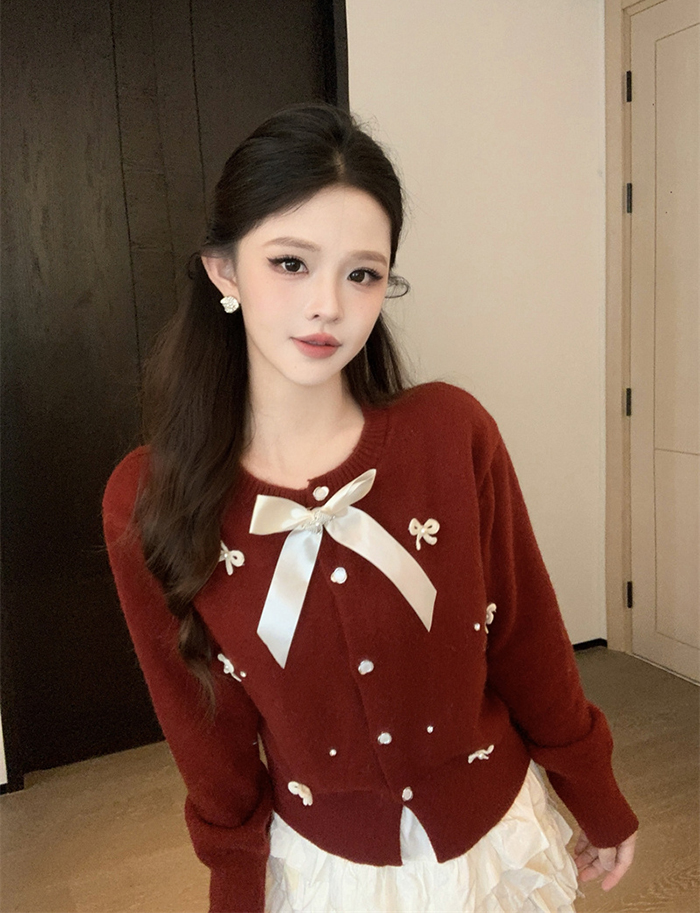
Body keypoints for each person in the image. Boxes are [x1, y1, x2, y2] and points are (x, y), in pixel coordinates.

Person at [102, 103, 638, 913]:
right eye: (290, 262)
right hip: (325, 870)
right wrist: (236, 880)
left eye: (362, 273)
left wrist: (593, 791)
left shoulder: (451, 432)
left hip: (495, 842)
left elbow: (526, 636)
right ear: (223, 271)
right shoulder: (148, 500)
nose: (328, 304)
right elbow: (203, 725)